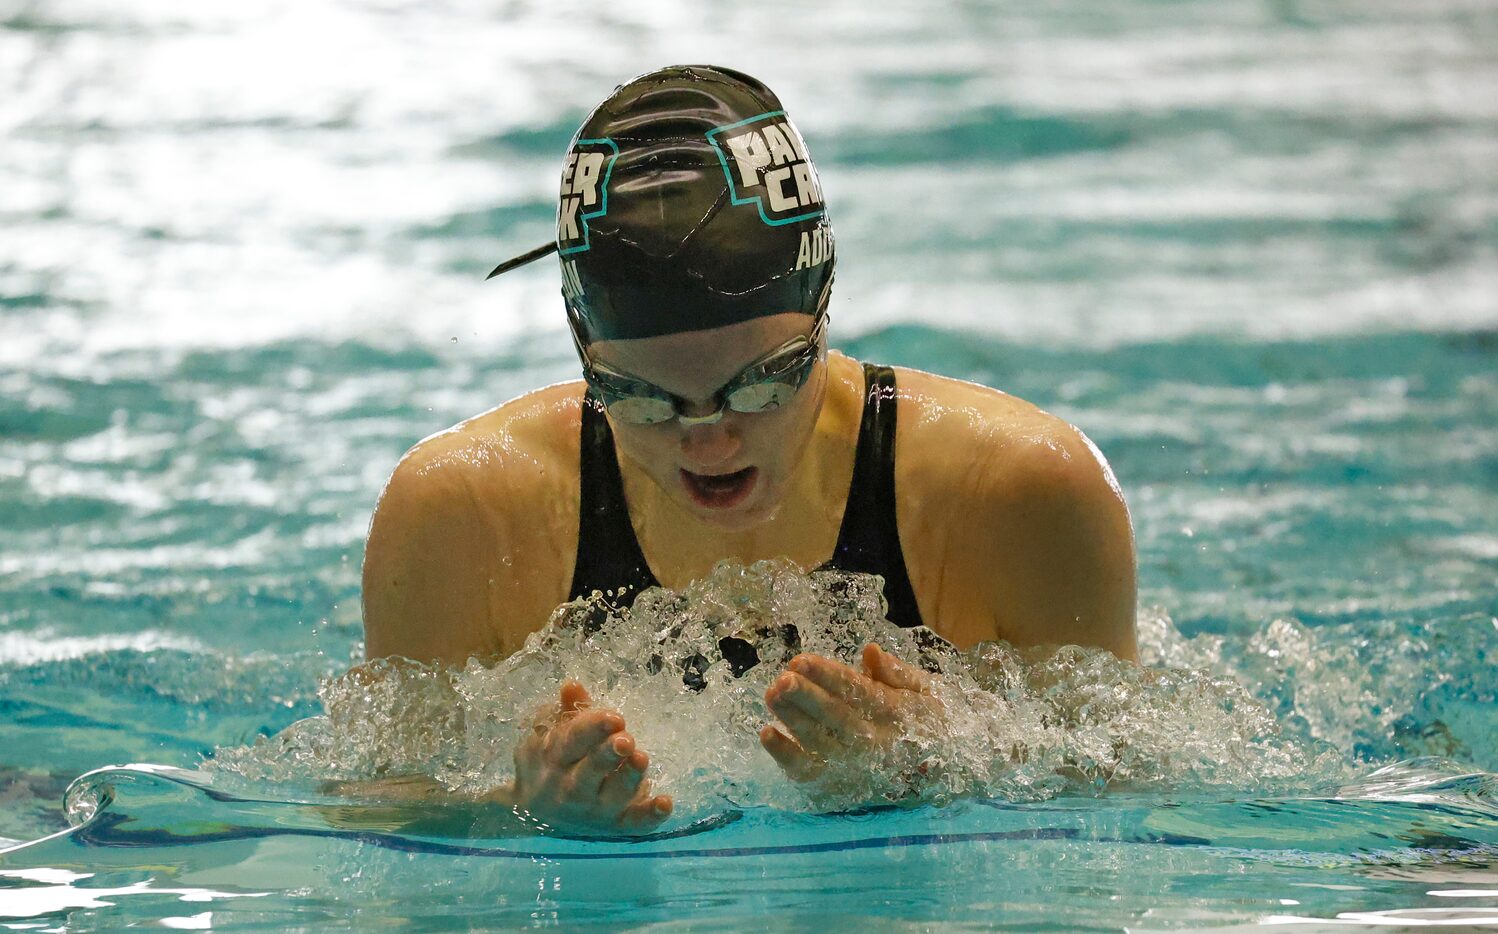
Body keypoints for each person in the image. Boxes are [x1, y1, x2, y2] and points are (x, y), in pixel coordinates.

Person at [361, 65, 1137, 835]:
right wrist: (520, 812)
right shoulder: (461, 513)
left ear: (822, 309)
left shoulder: (1018, 490)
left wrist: (949, 771)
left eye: (761, 384)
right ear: (582, 348)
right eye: (640, 397)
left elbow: (1132, 800)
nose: (710, 438)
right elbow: (378, 823)